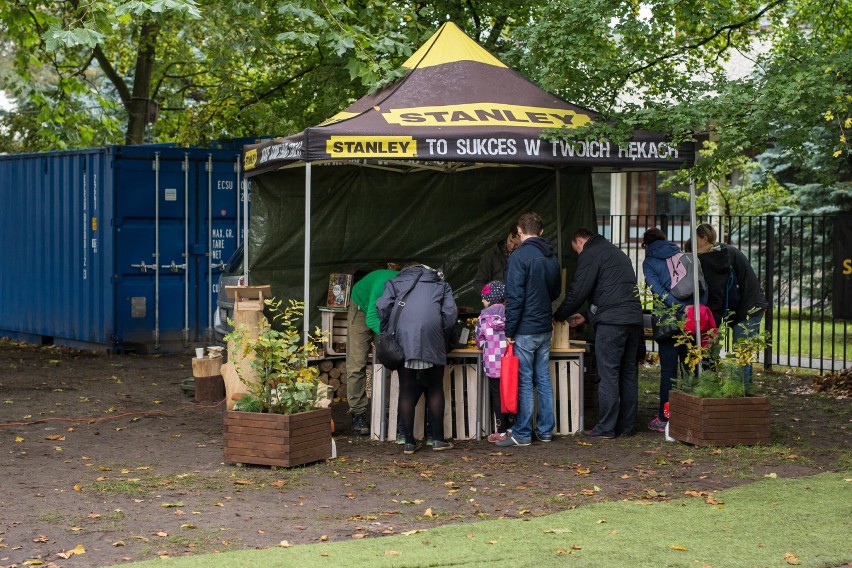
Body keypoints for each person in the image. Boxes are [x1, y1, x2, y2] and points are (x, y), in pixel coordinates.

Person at [554, 228, 643, 439]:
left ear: (579, 240)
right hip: (632, 319)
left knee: (609, 374)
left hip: (611, 323)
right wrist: (586, 315)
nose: (578, 254)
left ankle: (606, 427)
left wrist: (559, 315)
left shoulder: (590, 253)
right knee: (628, 373)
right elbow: (612, 290)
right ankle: (626, 426)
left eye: (576, 249)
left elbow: (579, 290)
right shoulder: (617, 253)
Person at [376, 264, 457, 454]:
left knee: (406, 388)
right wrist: (438, 331)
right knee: (436, 387)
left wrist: (388, 330)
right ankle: (437, 440)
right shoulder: (441, 285)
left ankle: (409, 442)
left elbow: (381, 306)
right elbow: (451, 315)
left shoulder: (395, 282)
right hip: (433, 337)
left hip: (403, 338)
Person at [496, 212, 561, 447]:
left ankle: (522, 433)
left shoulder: (518, 256)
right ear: (541, 231)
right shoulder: (551, 256)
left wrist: (510, 331)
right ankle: (545, 431)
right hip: (544, 326)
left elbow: (514, 297)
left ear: (519, 230)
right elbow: (555, 292)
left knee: (524, 380)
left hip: (525, 328)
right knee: (543, 378)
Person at [692, 223, 768, 388]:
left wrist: (714, 321)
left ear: (704, 238)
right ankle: (741, 389)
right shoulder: (722, 252)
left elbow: (718, 291)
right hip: (747, 305)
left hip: (750, 307)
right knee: (742, 350)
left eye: (695, 238)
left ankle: (743, 392)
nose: (693, 242)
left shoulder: (720, 256)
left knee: (742, 351)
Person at [642, 228, 698, 433]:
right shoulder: (684, 256)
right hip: (691, 319)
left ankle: (666, 417)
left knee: (668, 371)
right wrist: (689, 309)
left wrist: (677, 307)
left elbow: (657, 289)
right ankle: (693, 414)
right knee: (691, 367)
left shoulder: (649, 261)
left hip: (667, 321)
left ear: (645, 244)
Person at [345, 265, 400, 435]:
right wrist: (387, 335)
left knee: (390, 359)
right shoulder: (381, 285)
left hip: (385, 312)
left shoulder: (409, 287)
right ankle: (358, 413)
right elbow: (371, 318)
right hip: (362, 306)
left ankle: (388, 410)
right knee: (357, 362)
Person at [475, 280, 515, 442]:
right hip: (509, 363)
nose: (482, 301)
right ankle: (513, 428)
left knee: (497, 396)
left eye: (484, 298)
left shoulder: (483, 318)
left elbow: (480, 342)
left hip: (493, 365)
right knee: (511, 394)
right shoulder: (511, 314)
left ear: (490, 299)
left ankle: (501, 431)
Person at [473, 225, 522, 295]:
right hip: (495, 303)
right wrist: (491, 294)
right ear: (508, 234)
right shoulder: (491, 255)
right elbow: (479, 282)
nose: (512, 246)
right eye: (511, 241)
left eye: (516, 245)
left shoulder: (525, 257)